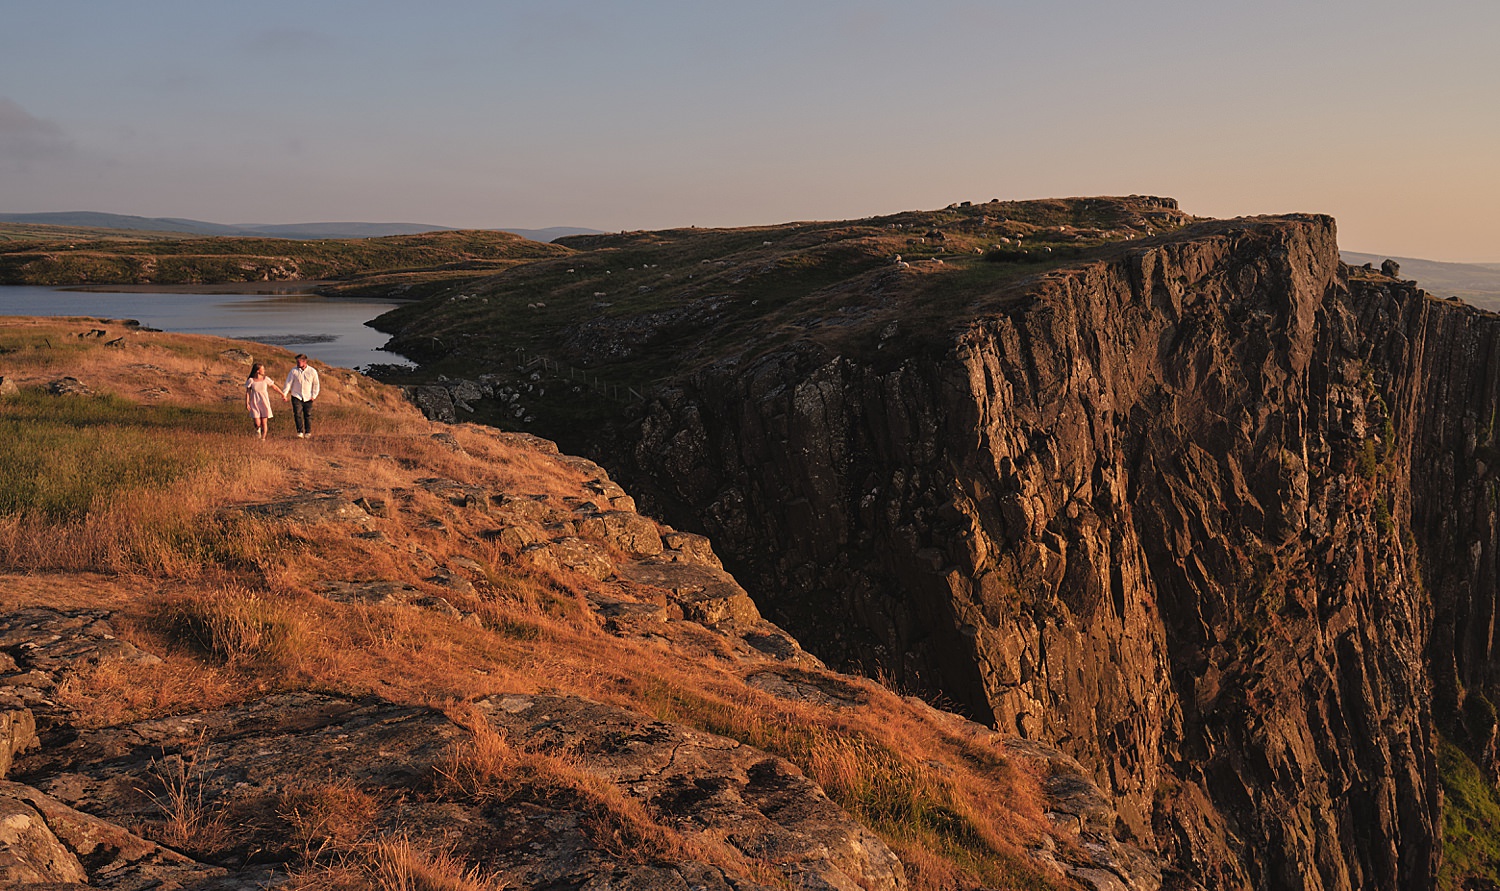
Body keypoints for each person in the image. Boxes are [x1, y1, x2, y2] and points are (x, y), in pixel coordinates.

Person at [282, 353, 321, 438]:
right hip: (296, 395)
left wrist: (314, 395)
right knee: (297, 414)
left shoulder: (312, 371)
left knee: (308, 414)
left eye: (299, 362)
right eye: (297, 361)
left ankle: (308, 432)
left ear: (304, 361)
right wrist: (284, 394)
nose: (297, 363)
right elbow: (288, 383)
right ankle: (299, 432)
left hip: (308, 396)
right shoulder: (293, 371)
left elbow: (316, 384)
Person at [244, 363, 285, 440]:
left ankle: (263, 439)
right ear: (258, 371)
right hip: (255, 403)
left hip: (264, 402)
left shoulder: (266, 379)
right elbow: (248, 392)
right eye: (263, 369)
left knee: (264, 422)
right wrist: (247, 403)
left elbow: (274, 387)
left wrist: (282, 394)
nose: (264, 371)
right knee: (257, 422)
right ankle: (258, 430)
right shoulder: (251, 380)